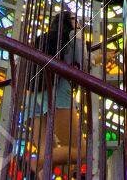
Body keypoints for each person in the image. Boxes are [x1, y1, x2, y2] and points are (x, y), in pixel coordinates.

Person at [28, 10, 88, 170]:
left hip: (33, 94)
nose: (79, 23)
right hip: (58, 89)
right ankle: (33, 164)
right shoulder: (73, 36)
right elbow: (82, 64)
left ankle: (38, 165)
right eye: (76, 20)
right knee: (82, 152)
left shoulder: (43, 38)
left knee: (44, 150)